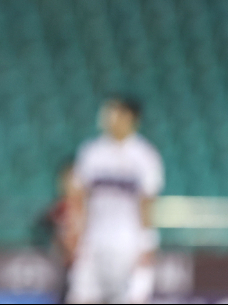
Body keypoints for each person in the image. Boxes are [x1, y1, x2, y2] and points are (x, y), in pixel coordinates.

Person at [66, 97, 165, 304]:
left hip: (128, 241)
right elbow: (78, 196)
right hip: (93, 238)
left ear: (130, 117)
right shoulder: (91, 152)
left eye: (114, 113)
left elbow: (147, 202)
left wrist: (147, 242)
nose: (107, 118)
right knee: (81, 296)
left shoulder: (145, 156)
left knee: (129, 298)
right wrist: (75, 231)